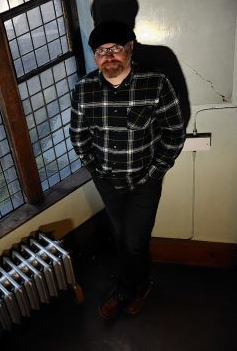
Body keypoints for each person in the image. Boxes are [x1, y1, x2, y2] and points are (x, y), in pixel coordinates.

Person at [69, 21, 186, 320]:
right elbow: (79, 136)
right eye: (100, 51)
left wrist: (154, 172)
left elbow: (174, 133)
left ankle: (126, 290)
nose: (108, 57)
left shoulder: (156, 83)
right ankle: (141, 283)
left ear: (130, 49)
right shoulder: (84, 90)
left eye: (115, 49)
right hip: (107, 181)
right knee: (122, 236)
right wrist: (95, 170)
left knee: (134, 241)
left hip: (145, 180)